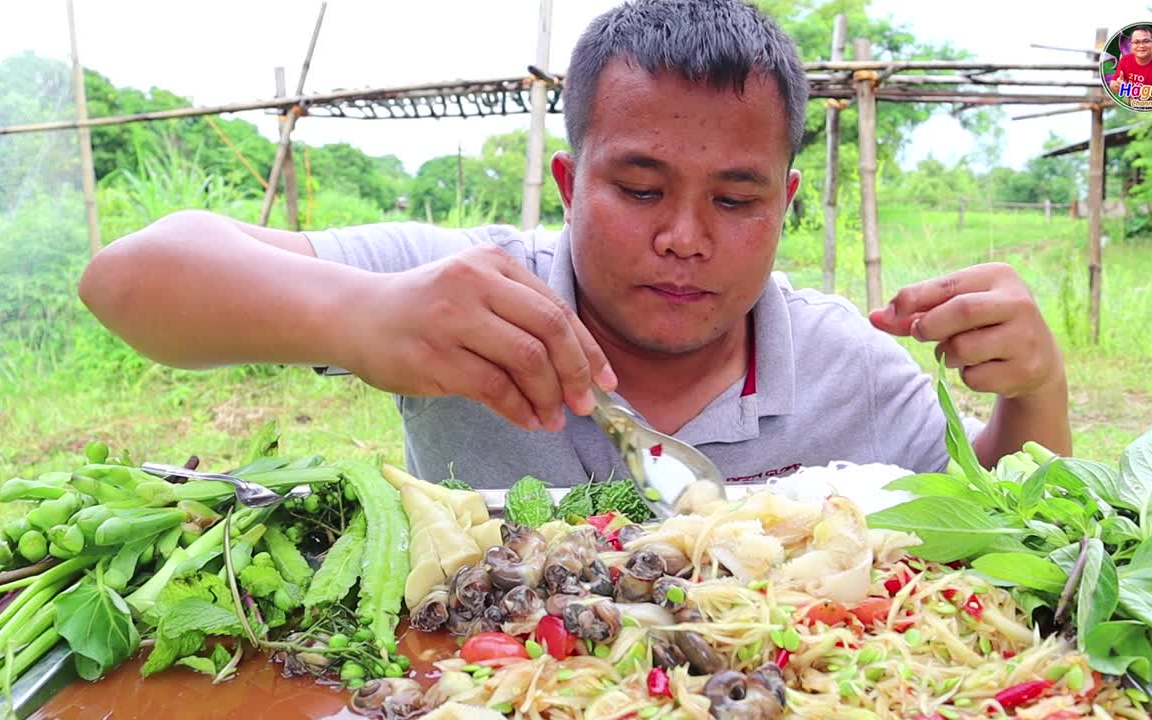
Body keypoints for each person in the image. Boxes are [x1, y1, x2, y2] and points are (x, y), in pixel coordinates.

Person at [76, 0, 1071, 490]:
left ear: (787, 207)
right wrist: (360, 314)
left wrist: (1034, 393)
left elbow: (1000, 526)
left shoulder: (849, 369)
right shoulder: (464, 297)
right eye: (640, 188)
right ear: (568, 183)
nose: (683, 238)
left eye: (735, 199)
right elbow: (127, 280)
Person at [1109, 25, 1152, 99]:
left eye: (1146, 41)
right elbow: (1113, 83)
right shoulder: (1125, 59)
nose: (1141, 45)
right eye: (1136, 42)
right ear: (1131, 45)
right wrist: (1118, 85)